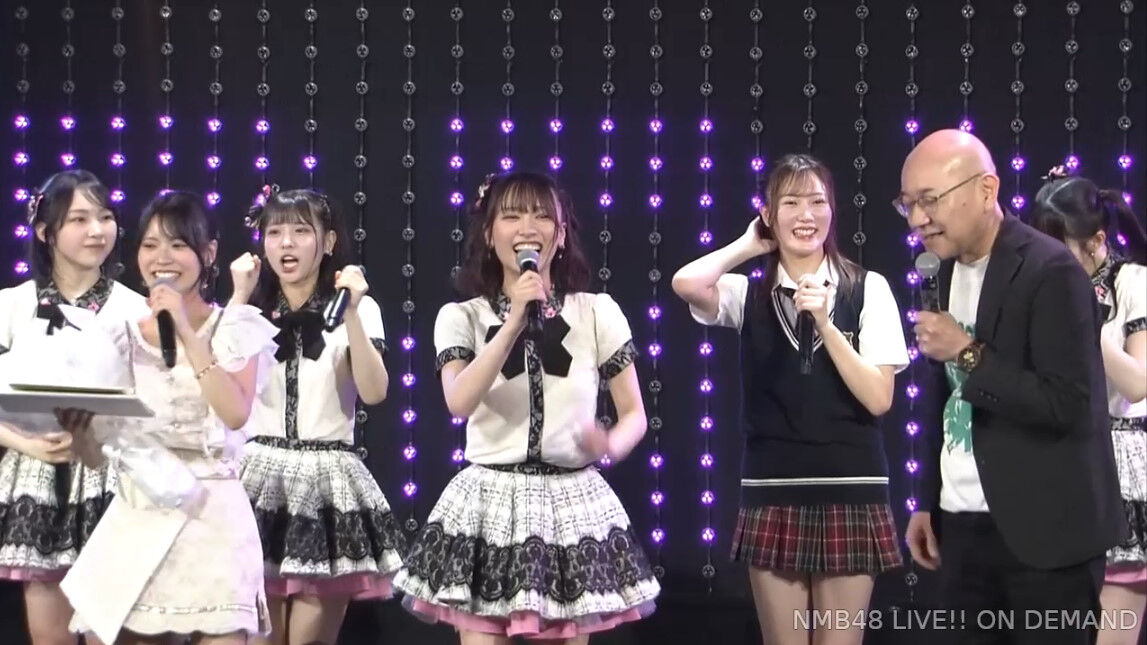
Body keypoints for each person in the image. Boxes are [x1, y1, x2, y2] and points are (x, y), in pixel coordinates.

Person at [393, 171, 660, 644]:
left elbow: (634, 413)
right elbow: (459, 401)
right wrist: (514, 319)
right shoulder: (462, 317)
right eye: (512, 215)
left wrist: (609, 445)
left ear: (561, 234)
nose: (527, 228)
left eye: (541, 216)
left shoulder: (596, 312)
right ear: (488, 232)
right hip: (490, 503)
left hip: (570, 503)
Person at [899, 130, 1126, 644]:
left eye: (929, 200)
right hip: (960, 529)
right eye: (908, 204)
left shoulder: (1051, 270)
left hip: (1046, 535)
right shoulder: (940, 274)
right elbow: (944, 399)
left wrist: (967, 352)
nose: (916, 219)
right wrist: (927, 500)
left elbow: (1067, 403)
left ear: (986, 189)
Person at [672, 153, 909, 645]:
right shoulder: (747, 294)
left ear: (833, 211)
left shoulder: (868, 289)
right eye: (791, 202)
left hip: (850, 486)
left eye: (818, 202)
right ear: (769, 214)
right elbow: (686, 283)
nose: (806, 215)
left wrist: (825, 323)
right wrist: (748, 244)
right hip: (773, 486)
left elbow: (878, 397)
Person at [59, 190, 278, 644]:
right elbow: (98, 457)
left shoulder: (236, 326)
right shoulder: (117, 335)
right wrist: (79, 434)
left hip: (213, 517)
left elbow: (235, 412)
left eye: (178, 244)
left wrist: (185, 331)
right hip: (140, 512)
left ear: (208, 253)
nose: (162, 257)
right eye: (150, 244)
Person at [233, 187, 405, 645]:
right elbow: (223, 393)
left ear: (328, 242)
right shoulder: (249, 308)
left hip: (325, 478)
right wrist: (238, 300)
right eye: (275, 232)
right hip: (258, 479)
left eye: (300, 231)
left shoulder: (357, 308)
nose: (286, 243)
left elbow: (375, 391)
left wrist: (351, 313)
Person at [0, 169, 146, 645]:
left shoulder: (136, 310)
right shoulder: (12, 305)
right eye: (79, 219)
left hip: (112, 476)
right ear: (46, 231)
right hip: (37, 473)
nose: (97, 230)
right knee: (50, 636)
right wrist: (25, 443)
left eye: (105, 217)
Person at [1031, 170, 1146, 645]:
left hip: (1123, 470)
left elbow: (1138, 383)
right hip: (1066, 466)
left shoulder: (1133, 282)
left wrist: (1087, 325)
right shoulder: (1049, 289)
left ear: (1097, 241)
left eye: (1060, 249)